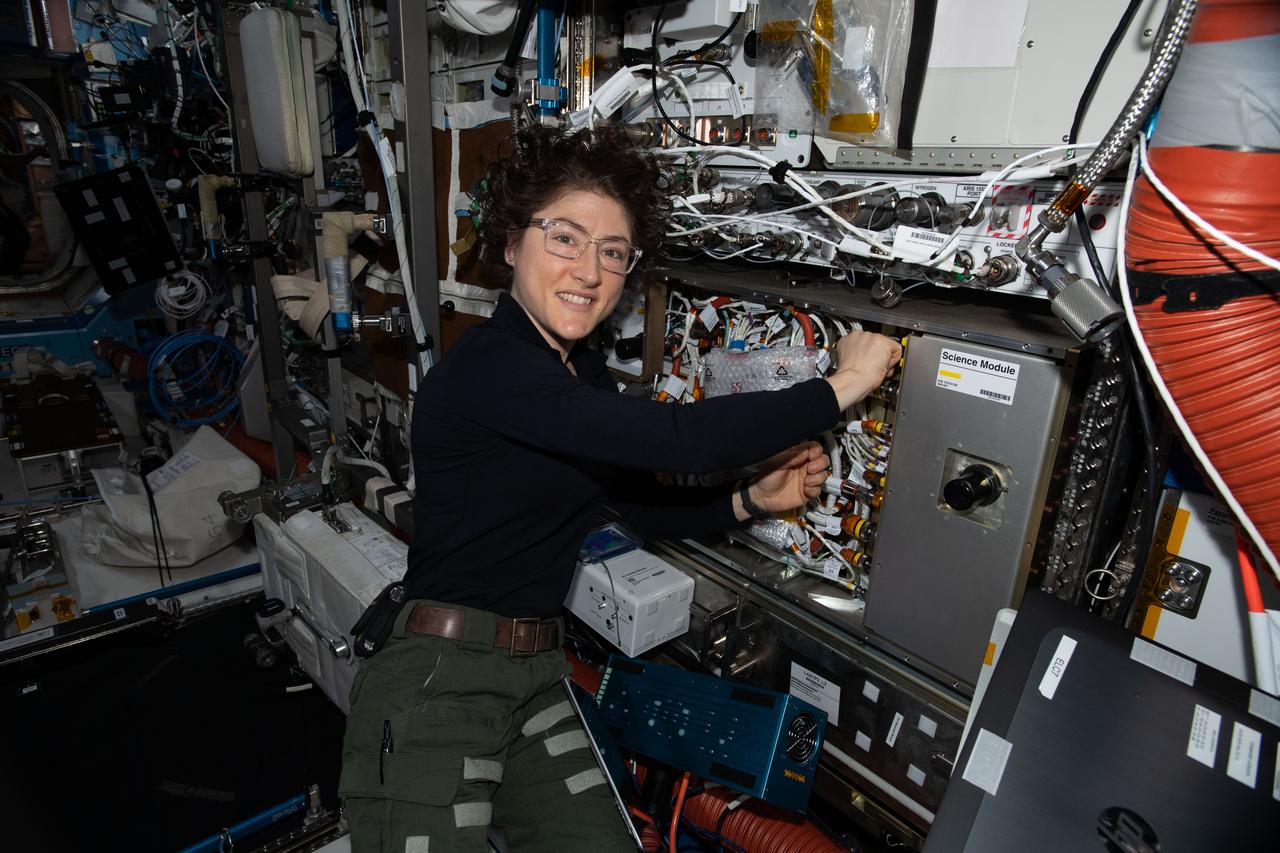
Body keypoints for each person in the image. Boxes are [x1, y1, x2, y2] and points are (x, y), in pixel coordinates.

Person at [338, 124, 901, 852]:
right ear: (511, 242)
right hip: (439, 681)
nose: (590, 271)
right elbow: (677, 438)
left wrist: (748, 502)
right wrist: (843, 384)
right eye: (565, 237)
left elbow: (628, 503)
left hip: (535, 675)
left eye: (613, 252)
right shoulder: (489, 365)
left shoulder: (580, 376)